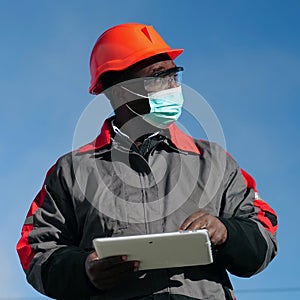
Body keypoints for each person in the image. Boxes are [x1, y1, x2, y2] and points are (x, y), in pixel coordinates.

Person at [17, 23, 278, 300]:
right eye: (159, 76)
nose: (173, 86)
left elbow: (264, 233)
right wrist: (83, 270)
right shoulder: (71, 171)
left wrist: (227, 232)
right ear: (118, 91)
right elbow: (35, 250)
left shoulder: (214, 162)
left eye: (174, 75)